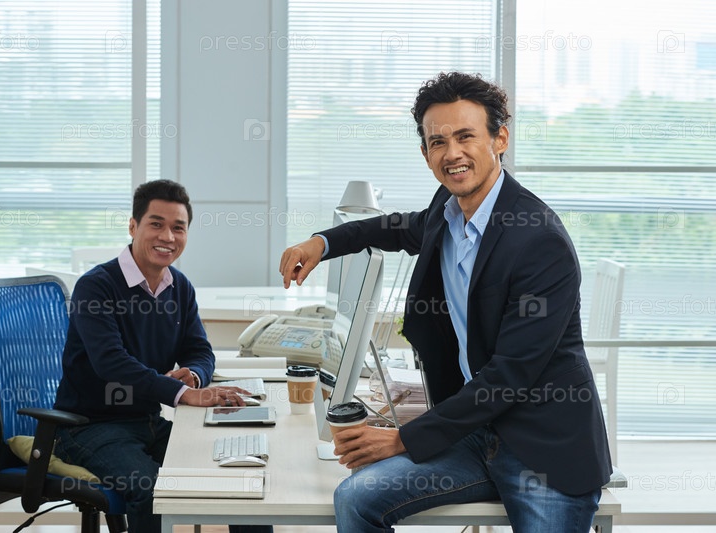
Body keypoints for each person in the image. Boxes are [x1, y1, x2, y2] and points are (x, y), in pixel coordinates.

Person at [279, 72, 612, 532]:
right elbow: (397, 228)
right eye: (438, 141)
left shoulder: (539, 241)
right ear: (425, 153)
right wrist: (322, 242)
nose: (452, 153)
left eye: (465, 136)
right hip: (475, 434)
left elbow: (509, 377)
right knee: (355, 498)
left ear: (500, 139)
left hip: (543, 449)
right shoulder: (447, 208)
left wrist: (403, 439)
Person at [54, 179, 272, 533]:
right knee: (152, 489)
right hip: (89, 427)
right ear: (133, 226)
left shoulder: (179, 286)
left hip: (148, 423)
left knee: (239, 472)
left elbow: (199, 349)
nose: (168, 237)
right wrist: (183, 394)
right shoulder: (96, 286)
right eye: (156, 224)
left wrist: (194, 375)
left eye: (178, 228)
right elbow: (110, 362)